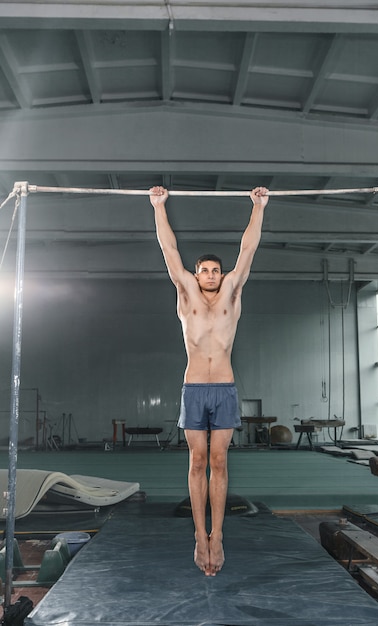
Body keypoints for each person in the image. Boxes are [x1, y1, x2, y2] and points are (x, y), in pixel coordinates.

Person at [149, 185, 269, 576]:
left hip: (225, 388)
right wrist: (158, 206)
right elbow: (169, 250)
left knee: (219, 460)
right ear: (196, 274)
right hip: (195, 388)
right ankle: (199, 536)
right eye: (205, 270)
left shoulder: (233, 293)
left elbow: (248, 249)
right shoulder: (187, 296)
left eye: (216, 270)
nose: (212, 274)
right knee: (197, 461)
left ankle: (219, 535)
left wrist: (258, 207)